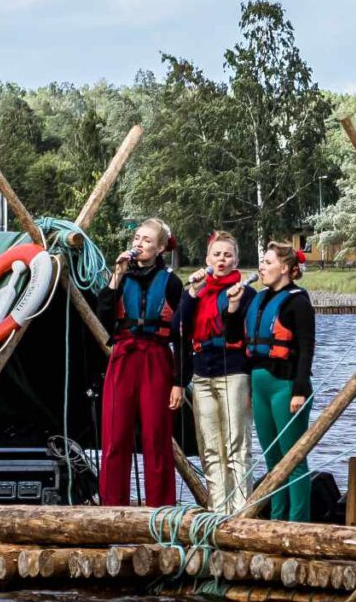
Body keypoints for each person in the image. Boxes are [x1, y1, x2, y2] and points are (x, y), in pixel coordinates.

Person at [101, 217, 189, 505]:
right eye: (137, 238)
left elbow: (183, 336)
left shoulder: (171, 282)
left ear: (160, 247)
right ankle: (112, 510)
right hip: (124, 357)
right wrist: (116, 274)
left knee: (156, 438)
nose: (139, 243)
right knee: (115, 436)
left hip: (156, 359)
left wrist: (179, 382)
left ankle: (160, 511)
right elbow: (102, 316)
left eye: (147, 240)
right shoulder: (122, 277)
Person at [237, 240, 318, 521]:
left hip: (286, 386)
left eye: (268, 262)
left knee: (292, 460)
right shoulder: (258, 299)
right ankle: (276, 520)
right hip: (259, 386)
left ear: (285, 268)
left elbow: (306, 348)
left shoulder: (298, 301)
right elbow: (240, 338)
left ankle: (298, 525)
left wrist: (299, 390)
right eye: (262, 262)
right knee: (272, 460)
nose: (262, 267)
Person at [184, 231, 252, 509]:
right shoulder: (198, 292)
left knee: (236, 443)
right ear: (207, 258)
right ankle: (217, 506)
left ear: (235, 260)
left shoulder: (245, 293)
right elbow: (179, 324)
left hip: (233, 371)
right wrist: (191, 293)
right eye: (217, 254)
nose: (222, 259)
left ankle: (239, 509)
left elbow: (246, 334)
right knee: (210, 446)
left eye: (227, 255)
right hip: (202, 372)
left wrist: (234, 307)